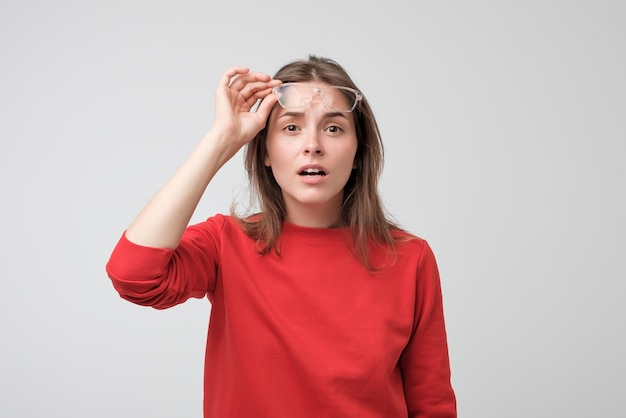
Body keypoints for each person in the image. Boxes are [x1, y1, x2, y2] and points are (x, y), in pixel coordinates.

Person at [106, 55, 457, 417]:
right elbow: (134, 275)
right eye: (292, 128)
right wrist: (220, 141)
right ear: (266, 153)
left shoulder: (410, 257)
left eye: (334, 128)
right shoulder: (226, 243)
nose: (313, 144)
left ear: (358, 154)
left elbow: (432, 404)